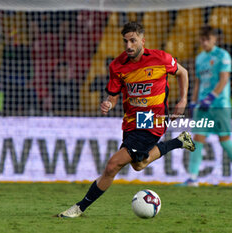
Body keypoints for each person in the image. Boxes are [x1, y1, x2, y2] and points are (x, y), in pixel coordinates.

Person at [58, 21, 195, 218]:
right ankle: (179, 141)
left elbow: (183, 72)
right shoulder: (117, 65)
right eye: (125, 41)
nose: (129, 46)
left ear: (142, 40)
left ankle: (79, 208)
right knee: (138, 165)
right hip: (131, 120)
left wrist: (182, 100)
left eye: (133, 40)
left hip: (152, 120)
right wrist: (109, 103)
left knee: (112, 165)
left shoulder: (160, 58)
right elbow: (113, 94)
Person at [177, 26, 232, 187]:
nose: (204, 43)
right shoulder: (200, 58)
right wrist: (193, 101)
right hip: (202, 106)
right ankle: (193, 178)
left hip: (219, 105)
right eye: (202, 40)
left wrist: (211, 97)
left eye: (207, 39)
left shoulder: (223, 55)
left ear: (214, 39)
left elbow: (224, 79)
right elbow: (198, 82)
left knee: (224, 139)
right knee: (197, 139)